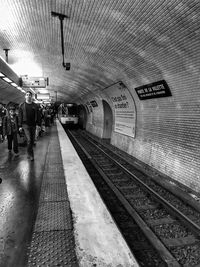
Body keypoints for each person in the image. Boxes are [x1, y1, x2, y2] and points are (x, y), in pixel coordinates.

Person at [18, 91, 41, 161]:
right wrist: (20, 126)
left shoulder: (35, 106)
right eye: (27, 95)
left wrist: (39, 124)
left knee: (32, 141)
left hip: (33, 125)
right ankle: (31, 155)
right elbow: (20, 116)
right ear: (25, 96)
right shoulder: (21, 106)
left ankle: (28, 152)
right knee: (29, 140)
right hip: (25, 125)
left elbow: (38, 116)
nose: (28, 96)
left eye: (30, 95)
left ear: (32, 96)